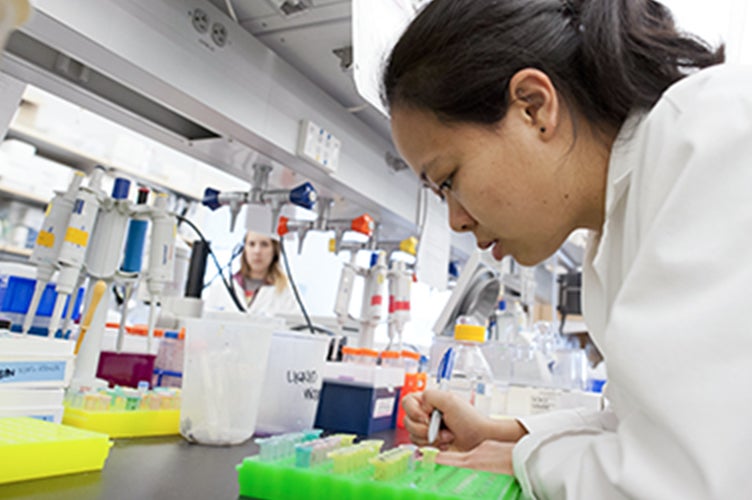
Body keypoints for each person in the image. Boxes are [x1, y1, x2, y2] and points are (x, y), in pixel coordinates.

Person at [382, 0, 752, 497]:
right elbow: (642, 422)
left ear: (534, 107)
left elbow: (684, 481)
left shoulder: (708, 134)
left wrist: (527, 460)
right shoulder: (618, 226)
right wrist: (510, 435)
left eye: (449, 180)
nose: (457, 219)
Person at [204, 230, 298, 317]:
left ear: (275, 251)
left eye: (264, 245)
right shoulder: (221, 288)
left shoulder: (285, 292)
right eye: (251, 244)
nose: (257, 251)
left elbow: (295, 328)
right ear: (244, 249)